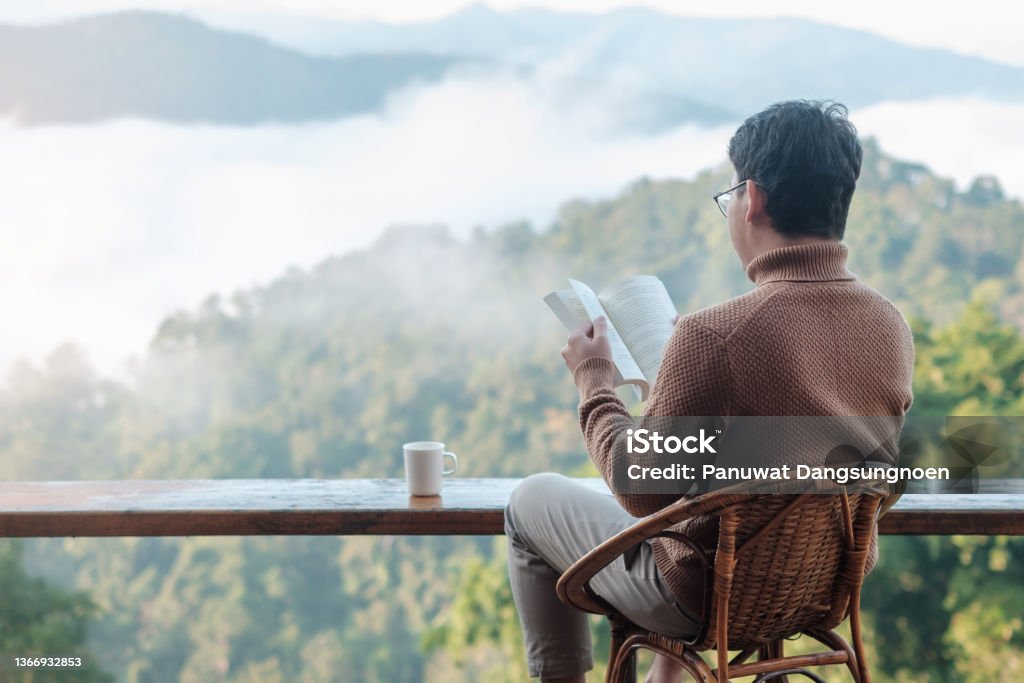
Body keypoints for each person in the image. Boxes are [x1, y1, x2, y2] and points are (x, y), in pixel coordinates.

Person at [504, 100, 915, 683]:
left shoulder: (714, 336)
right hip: (823, 587)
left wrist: (594, 381)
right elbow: (869, 470)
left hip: (704, 599)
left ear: (755, 199)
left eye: (730, 196)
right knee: (705, 517)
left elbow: (638, 487)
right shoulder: (889, 324)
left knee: (529, 501)